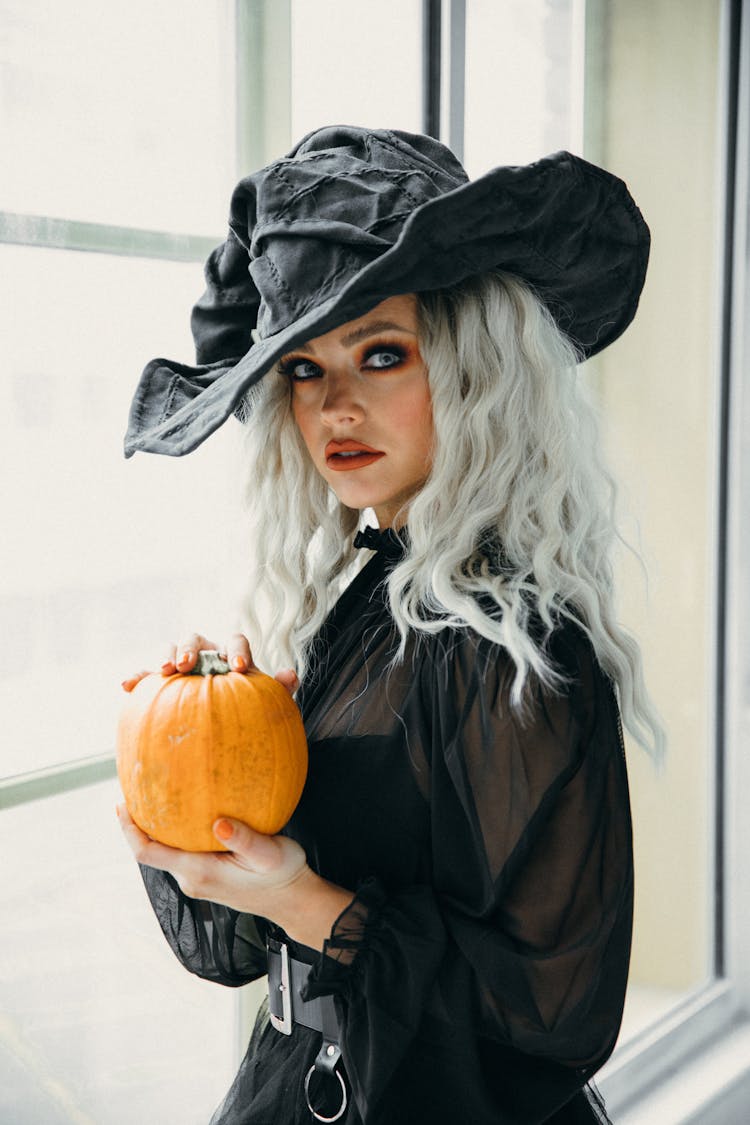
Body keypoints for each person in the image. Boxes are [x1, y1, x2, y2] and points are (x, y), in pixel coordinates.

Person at [118, 126, 662, 1125]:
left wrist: (298, 896)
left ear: (474, 370)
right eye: (305, 371)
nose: (336, 408)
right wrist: (221, 763)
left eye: (381, 354)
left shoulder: (525, 651)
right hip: (303, 1083)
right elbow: (242, 949)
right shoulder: (363, 598)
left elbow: (552, 1015)